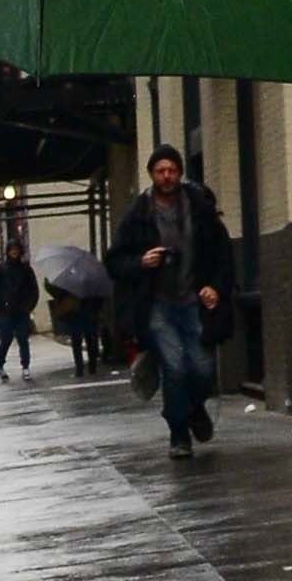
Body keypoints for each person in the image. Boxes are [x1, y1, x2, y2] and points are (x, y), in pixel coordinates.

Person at [108, 145, 238, 458]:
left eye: (172, 170)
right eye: (160, 171)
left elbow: (223, 255)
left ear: (180, 172)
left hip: (193, 299)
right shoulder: (138, 216)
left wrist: (216, 288)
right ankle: (179, 433)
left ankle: (194, 408)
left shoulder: (200, 209)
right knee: (176, 367)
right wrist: (142, 261)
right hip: (157, 305)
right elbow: (114, 263)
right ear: (152, 174)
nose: (167, 176)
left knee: (203, 368)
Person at [0, 240, 38, 378]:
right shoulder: (0, 269)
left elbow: (33, 289)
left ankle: (25, 366)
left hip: (21, 310)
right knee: (6, 339)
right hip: (5, 310)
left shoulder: (26, 269)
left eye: (16, 249)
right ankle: (0, 365)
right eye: (12, 250)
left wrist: (29, 306)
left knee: (23, 338)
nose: (14, 252)